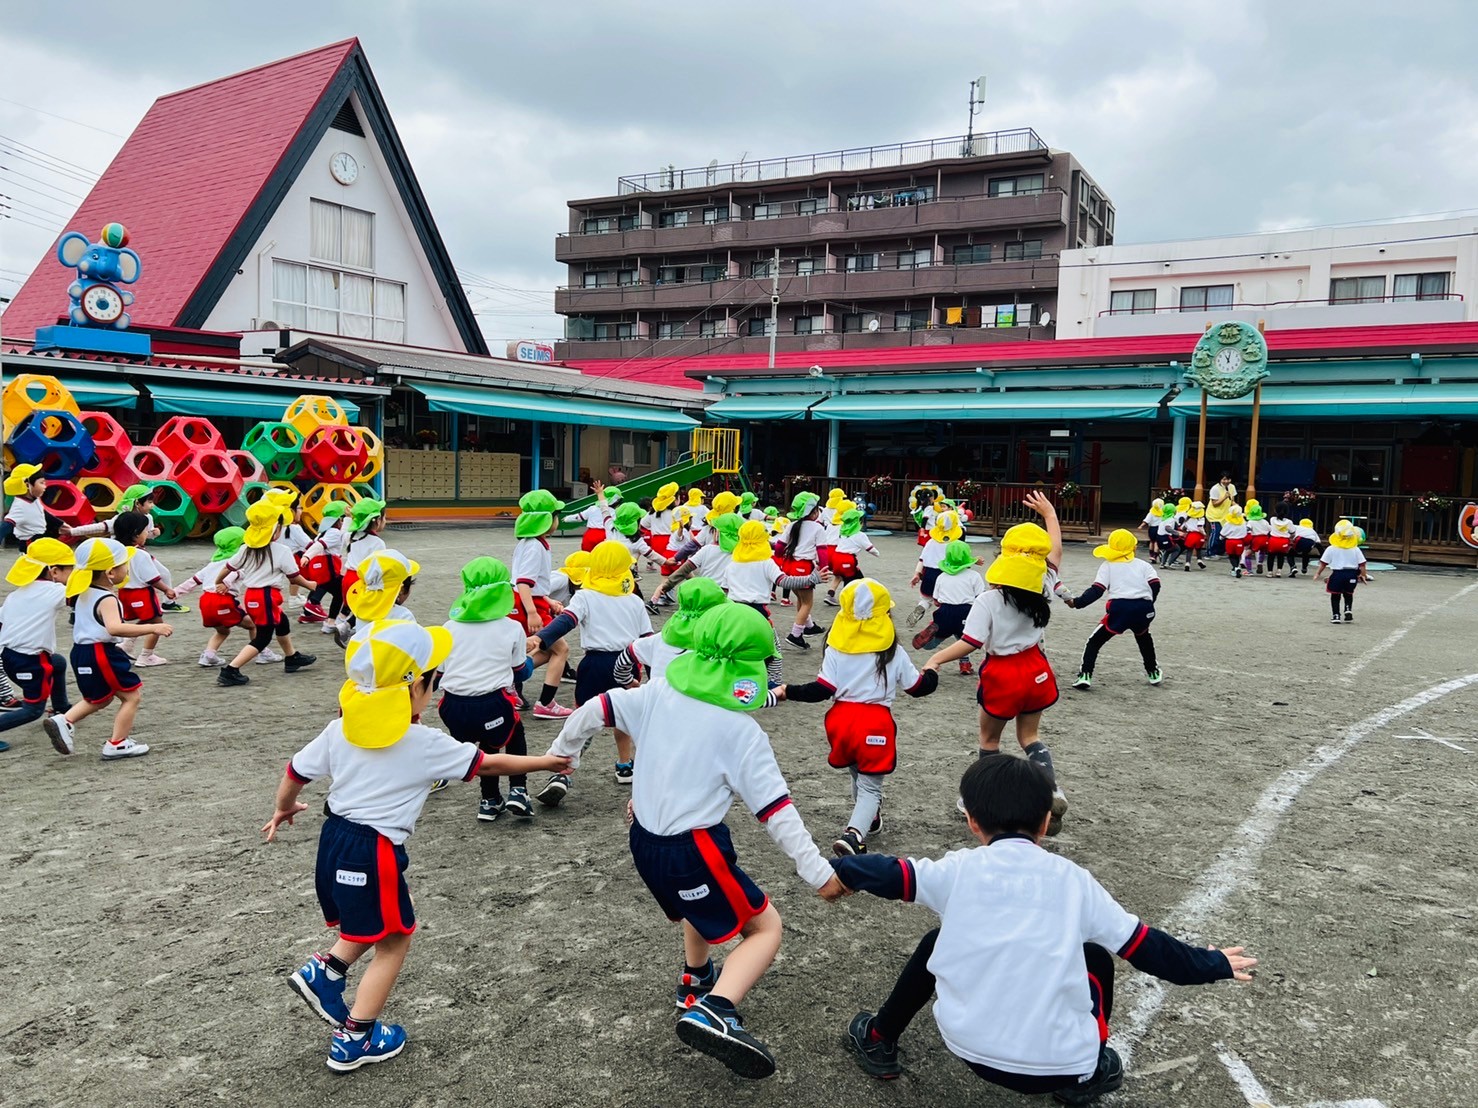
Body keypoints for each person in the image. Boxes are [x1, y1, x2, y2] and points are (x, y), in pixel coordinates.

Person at [833, 755, 1257, 1101]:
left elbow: (891, 873)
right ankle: (1090, 1075)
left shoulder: (959, 868)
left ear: (972, 822)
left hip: (966, 1046)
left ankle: (878, 1036)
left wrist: (836, 872)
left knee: (936, 943)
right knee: (1094, 955)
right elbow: (1150, 949)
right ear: (1044, 824)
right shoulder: (1074, 881)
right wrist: (1212, 963)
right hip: (1062, 1067)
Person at [545, 604, 848, 1080]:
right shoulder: (740, 731)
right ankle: (716, 1010)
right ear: (748, 671)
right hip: (695, 848)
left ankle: (696, 980)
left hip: (644, 842)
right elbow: (776, 812)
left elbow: (595, 708)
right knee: (764, 928)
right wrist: (819, 873)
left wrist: (561, 754)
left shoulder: (657, 692)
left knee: (695, 908)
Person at [264, 620, 570, 1072]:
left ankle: (324, 971)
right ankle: (357, 1037)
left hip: (335, 840)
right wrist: (548, 760)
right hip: (374, 850)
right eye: (433, 680)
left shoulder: (340, 728)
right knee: (395, 939)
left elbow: (295, 771)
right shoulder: (423, 743)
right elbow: (488, 763)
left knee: (380, 919)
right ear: (416, 690)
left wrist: (284, 809)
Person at [923, 492, 1069, 833]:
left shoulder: (989, 599)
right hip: (1036, 668)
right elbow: (1055, 552)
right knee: (1030, 737)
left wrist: (935, 658)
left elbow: (969, 643)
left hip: (1002, 674)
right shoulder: (1045, 584)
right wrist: (1049, 514)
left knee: (990, 742)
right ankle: (1051, 789)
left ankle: (976, 800)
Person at [781, 580, 938, 856]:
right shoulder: (892, 651)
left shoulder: (835, 648)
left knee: (857, 772)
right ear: (884, 615)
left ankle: (871, 819)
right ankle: (853, 836)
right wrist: (932, 670)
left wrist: (787, 691)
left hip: (840, 721)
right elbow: (917, 688)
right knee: (870, 787)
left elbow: (822, 690)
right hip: (875, 722)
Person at [532, 540, 652, 802]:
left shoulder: (585, 596)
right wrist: (656, 678)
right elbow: (648, 640)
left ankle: (563, 772)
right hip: (628, 664)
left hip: (594, 666)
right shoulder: (634, 601)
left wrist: (541, 639)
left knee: (584, 721)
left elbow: (566, 621)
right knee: (624, 716)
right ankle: (625, 766)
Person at [44, 537, 171, 760]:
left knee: (99, 698)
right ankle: (117, 743)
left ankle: (64, 720)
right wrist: (153, 627)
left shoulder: (83, 591)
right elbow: (114, 628)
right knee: (132, 697)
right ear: (111, 572)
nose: (127, 569)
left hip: (82, 652)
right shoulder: (106, 597)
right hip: (101, 652)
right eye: (124, 565)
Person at [438, 557, 537, 822]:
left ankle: (490, 800)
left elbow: (442, 670)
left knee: (486, 746)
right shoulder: (512, 627)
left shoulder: (449, 628)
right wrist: (531, 654)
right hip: (492, 704)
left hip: (452, 706)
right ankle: (518, 790)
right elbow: (521, 672)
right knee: (512, 732)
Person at [214, 501, 317, 686]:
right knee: (263, 637)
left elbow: (228, 567)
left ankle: (291, 656)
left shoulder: (246, 548)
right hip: (266, 596)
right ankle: (231, 669)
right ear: (276, 529)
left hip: (253, 596)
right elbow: (294, 577)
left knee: (282, 621)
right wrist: (310, 585)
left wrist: (219, 581)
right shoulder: (281, 551)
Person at [0, 538, 76, 750]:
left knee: (58, 662)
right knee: (33, 709)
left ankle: (60, 707)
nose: (73, 574)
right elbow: (80, 593)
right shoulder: (54, 592)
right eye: (70, 569)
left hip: (10, 656)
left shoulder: (18, 593)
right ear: (54, 571)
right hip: (30, 661)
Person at [1065, 530, 1162, 688]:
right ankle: (1153, 672)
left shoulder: (1108, 566)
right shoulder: (1144, 565)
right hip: (1144, 608)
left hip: (1120, 608)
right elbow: (1155, 585)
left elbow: (1097, 590)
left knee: (1094, 642)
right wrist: (1150, 603)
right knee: (1144, 638)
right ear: (1133, 548)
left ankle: (1085, 675)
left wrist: (1077, 603)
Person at [511, 489, 574, 720]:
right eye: (555, 515)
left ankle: (511, 679)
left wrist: (547, 600)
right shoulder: (536, 546)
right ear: (546, 519)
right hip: (528, 603)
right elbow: (523, 582)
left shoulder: (531, 543)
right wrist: (532, 612)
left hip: (530, 600)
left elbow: (528, 582)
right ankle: (546, 702)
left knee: (548, 650)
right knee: (561, 649)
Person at [612, 576, 729, 688]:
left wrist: (628, 682)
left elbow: (626, 656)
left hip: (660, 703)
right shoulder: (721, 645)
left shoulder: (659, 639)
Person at [172, 525, 263, 667]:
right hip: (222, 600)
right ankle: (261, 651)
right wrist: (225, 582)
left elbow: (194, 580)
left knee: (223, 631)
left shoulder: (212, 564)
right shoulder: (236, 563)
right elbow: (235, 573)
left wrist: (176, 592)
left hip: (205, 601)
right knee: (253, 625)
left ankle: (209, 655)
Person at [913, 539, 984, 675]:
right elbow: (980, 597)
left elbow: (936, 599)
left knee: (940, 633)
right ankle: (965, 664)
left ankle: (932, 634)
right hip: (966, 612)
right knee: (964, 639)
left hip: (945, 612)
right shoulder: (974, 576)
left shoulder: (942, 577)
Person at [114, 510, 174, 667]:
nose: (147, 534)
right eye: (145, 531)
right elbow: (152, 579)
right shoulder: (140, 554)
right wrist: (166, 589)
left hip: (124, 593)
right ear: (136, 534)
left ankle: (127, 644)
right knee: (157, 623)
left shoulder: (117, 551)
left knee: (148, 619)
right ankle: (147, 655)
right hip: (142, 593)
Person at [907, 506, 963, 627]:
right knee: (945, 602)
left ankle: (920, 608)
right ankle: (936, 622)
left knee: (926, 600)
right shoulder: (955, 544)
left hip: (929, 574)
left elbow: (922, 559)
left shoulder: (931, 542)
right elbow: (961, 561)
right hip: (946, 575)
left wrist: (917, 574)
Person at [301, 501, 350, 625]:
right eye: (342, 519)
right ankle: (329, 620)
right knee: (340, 592)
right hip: (329, 568)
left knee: (322, 586)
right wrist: (307, 555)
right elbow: (320, 545)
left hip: (320, 568)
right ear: (339, 519)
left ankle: (308, 614)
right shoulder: (334, 533)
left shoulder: (324, 532)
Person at [1314, 520, 1370, 623]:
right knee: (1348, 593)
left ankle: (1336, 615)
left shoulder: (1331, 548)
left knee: (1335, 595)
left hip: (1337, 574)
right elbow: (1362, 564)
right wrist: (1363, 575)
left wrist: (1318, 573)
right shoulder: (1355, 549)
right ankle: (1348, 609)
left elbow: (1323, 563)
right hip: (1352, 575)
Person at [0, 463, 50, 549]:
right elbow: (7, 524)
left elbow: (42, 513)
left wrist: (61, 524)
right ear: (27, 485)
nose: (45, 486)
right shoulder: (20, 506)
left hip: (39, 539)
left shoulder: (34, 499)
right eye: (41, 483)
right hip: (29, 543)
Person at [574, 481, 618, 552]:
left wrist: (567, 518)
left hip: (590, 535)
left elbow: (579, 517)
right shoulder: (615, 512)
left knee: (587, 557)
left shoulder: (592, 508)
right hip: (605, 535)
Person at [1206, 471, 1237, 555]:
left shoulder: (1232, 487)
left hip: (1225, 515)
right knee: (1216, 532)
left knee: (1224, 534)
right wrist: (1224, 497)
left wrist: (1236, 507)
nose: (1226, 481)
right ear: (1220, 479)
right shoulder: (1215, 489)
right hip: (1214, 515)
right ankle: (1210, 552)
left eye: (1228, 479)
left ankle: (1220, 552)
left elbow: (1232, 500)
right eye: (1224, 479)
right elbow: (1214, 504)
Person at [1220, 505, 1250, 578]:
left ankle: (1236, 567)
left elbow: (1223, 533)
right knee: (1237, 555)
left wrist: (1221, 537)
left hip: (1230, 541)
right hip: (1239, 541)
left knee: (1231, 556)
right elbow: (1245, 532)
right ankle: (1235, 569)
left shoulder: (1228, 523)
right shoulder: (1243, 523)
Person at [1266, 504, 1295, 578]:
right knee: (1281, 556)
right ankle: (1279, 571)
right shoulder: (1289, 522)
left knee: (1271, 556)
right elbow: (1292, 532)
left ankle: (1269, 572)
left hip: (1273, 540)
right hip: (1284, 541)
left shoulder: (1272, 519)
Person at [1244, 500, 1270, 576]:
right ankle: (1260, 563)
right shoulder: (1265, 521)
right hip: (1265, 539)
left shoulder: (1251, 522)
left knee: (1247, 554)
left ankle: (1249, 570)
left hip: (1256, 539)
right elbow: (1270, 529)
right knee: (1262, 551)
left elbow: (1247, 529)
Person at [1180, 501, 1208, 571]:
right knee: (1199, 549)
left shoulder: (1188, 517)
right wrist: (1204, 533)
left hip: (1190, 535)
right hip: (1198, 535)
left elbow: (1182, 527)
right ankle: (1199, 560)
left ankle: (1187, 563)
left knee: (1189, 550)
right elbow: (1200, 527)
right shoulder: (1201, 518)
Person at [1138, 497, 1165, 562]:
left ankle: (1151, 555)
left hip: (1152, 528)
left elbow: (1146, 520)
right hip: (1160, 529)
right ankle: (1155, 556)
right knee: (1157, 542)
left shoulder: (1151, 512)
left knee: (1151, 541)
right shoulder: (1163, 512)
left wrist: (1141, 526)